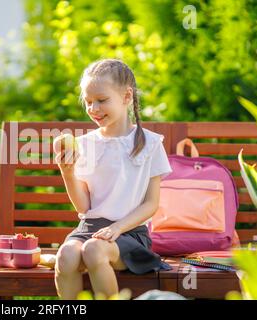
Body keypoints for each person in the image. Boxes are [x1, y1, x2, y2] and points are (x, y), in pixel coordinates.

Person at [54, 59, 173, 300]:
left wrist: (117, 228)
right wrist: (67, 172)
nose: (93, 108)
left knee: (94, 250)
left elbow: (151, 204)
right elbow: (84, 207)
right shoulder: (85, 145)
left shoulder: (150, 144)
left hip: (129, 232)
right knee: (66, 255)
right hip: (88, 229)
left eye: (101, 100)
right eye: (88, 102)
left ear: (127, 96)